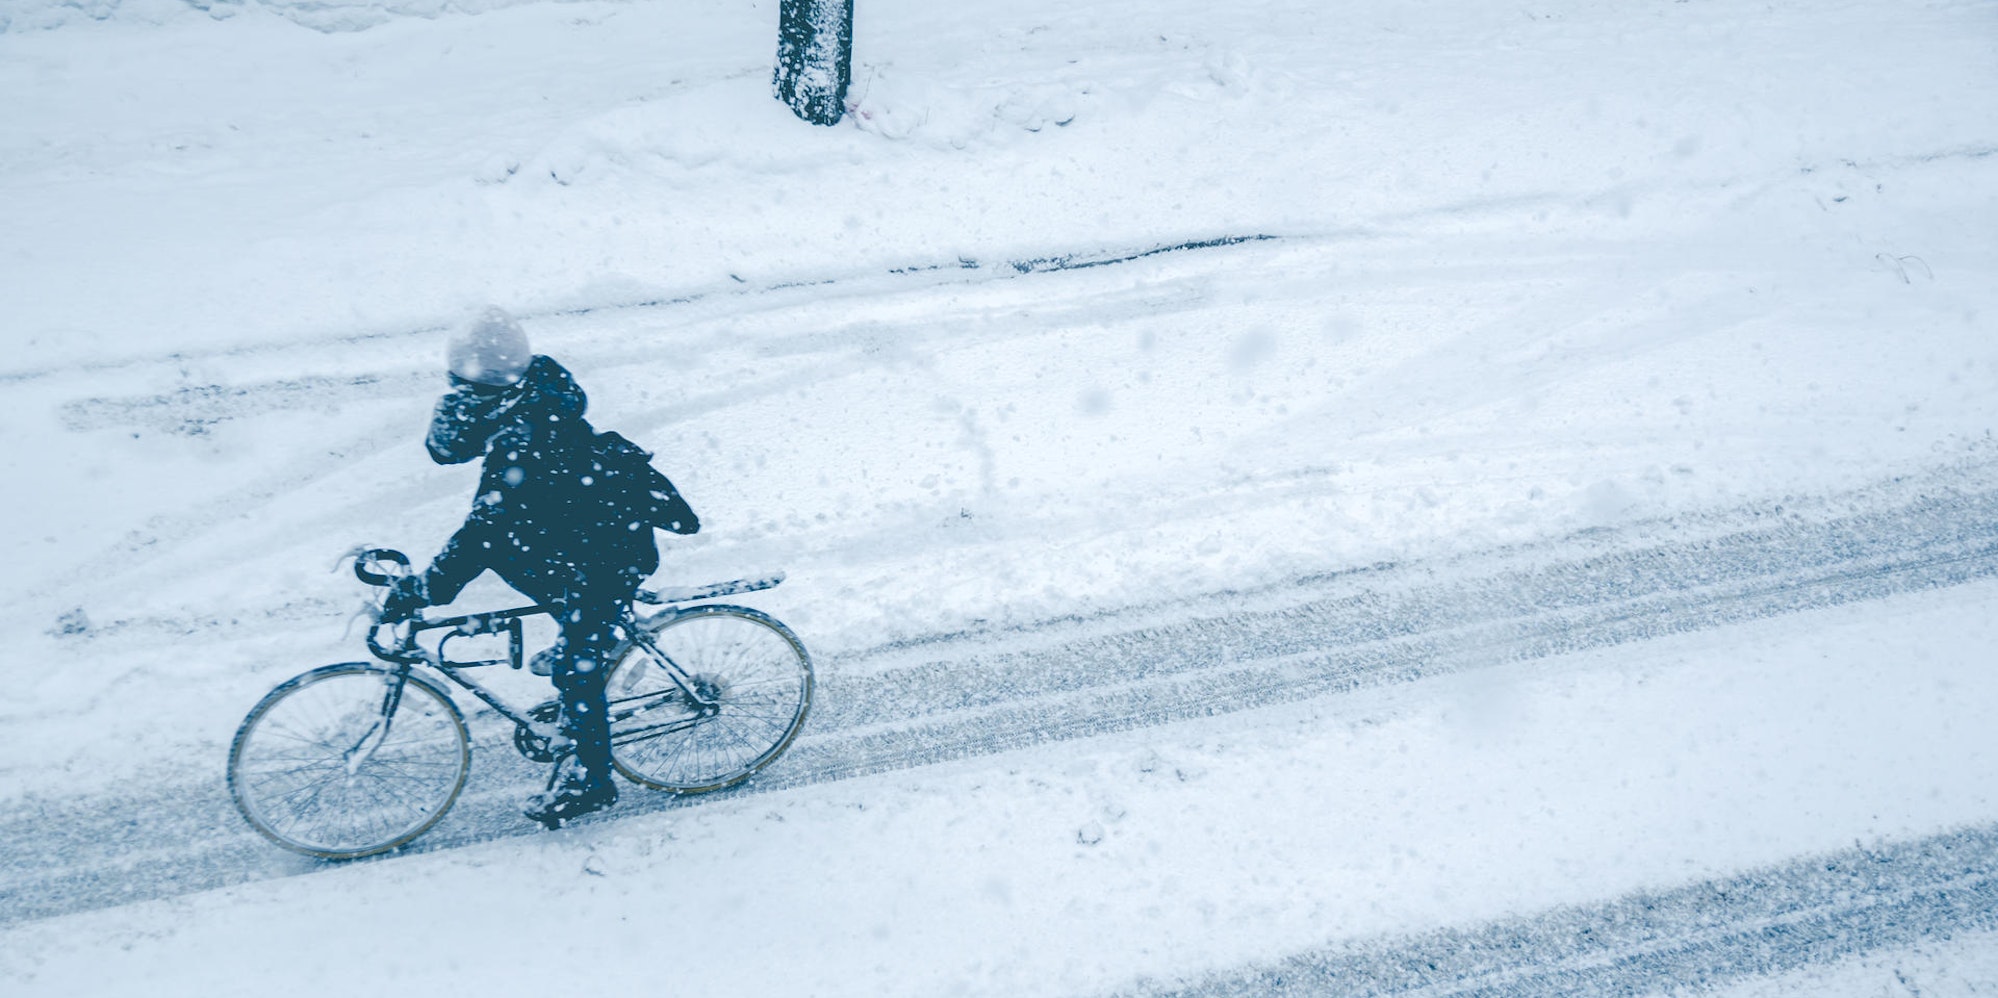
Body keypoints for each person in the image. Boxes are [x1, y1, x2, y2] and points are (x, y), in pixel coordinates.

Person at [381, 306, 697, 828]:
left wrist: (423, 591)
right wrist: (464, 408)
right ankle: (580, 629)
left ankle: (592, 781)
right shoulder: (524, 395)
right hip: (573, 533)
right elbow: (448, 451)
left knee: (578, 668)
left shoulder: (524, 437)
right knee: (509, 554)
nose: (460, 394)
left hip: (609, 552)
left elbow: (480, 533)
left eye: (466, 386)